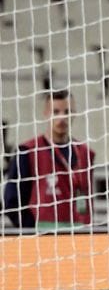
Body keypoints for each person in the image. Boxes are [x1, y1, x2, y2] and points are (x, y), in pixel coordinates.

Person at [2, 89, 95, 231]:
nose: (62, 118)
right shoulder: (28, 151)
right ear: (46, 113)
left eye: (67, 112)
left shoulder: (85, 153)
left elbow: (86, 198)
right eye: (56, 112)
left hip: (78, 233)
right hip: (42, 235)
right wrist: (30, 227)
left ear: (74, 113)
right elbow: (11, 200)